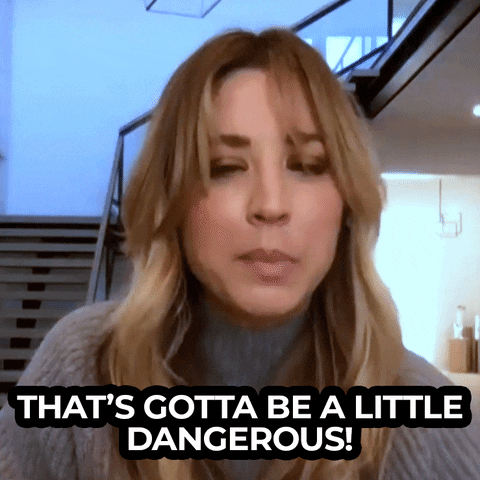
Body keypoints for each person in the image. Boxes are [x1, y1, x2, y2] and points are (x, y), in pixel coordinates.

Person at [0, 27, 479, 480]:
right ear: (173, 202)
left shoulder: (425, 416)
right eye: (226, 167)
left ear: (348, 205)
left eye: (307, 165)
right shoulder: (81, 369)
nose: (270, 205)